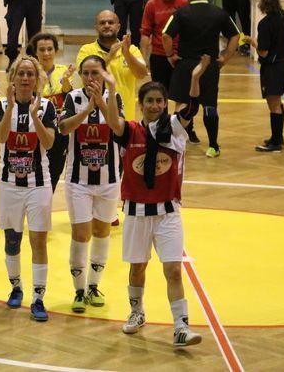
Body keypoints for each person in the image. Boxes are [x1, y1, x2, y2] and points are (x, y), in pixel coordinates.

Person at [103, 55, 211, 347]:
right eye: (149, 101)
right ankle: (137, 312)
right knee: (138, 267)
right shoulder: (130, 131)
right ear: (141, 104)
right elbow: (112, 122)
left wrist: (195, 77)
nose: (155, 105)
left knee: (173, 269)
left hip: (168, 212)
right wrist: (111, 88)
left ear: (165, 104)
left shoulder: (174, 127)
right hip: (136, 211)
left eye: (159, 101)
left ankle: (181, 326)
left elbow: (192, 108)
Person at [0, 55, 57, 322]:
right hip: (9, 184)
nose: (26, 78)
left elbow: (49, 143)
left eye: (31, 74)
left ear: (37, 79)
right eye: (21, 73)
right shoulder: (1, 105)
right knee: (12, 240)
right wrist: (10, 109)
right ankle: (16, 287)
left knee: (38, 240)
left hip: (38, 184)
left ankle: (38, 298)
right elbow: (1, 137)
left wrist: (34, 117)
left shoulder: (47, 106)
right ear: (13, 77)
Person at [59, 55, 124, 313]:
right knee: (81, 234)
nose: (89, 78)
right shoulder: (72, 98)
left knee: (101, 231)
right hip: (78, 180)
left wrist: (102, 102)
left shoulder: (114, 98)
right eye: (85, 73)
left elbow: (118, 129)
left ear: (104, 74)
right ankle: (78, 290)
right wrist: (87, 110)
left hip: (109, 179)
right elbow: (64, 128)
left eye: (95, 73)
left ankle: (94, 286)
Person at [163, 0, 240, 158]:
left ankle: (175, 143)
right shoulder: (219, 13)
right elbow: (235, 35)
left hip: (186, 64)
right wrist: (225, 57)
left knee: (182, 103)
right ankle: (213, 146)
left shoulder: (181, 13)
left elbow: (166, 36)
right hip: (209, 65)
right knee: (209, 105)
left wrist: (170, 55)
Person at [139, 0, 198, 143]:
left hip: (181, 57)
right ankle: (161, 127)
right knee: (160, 95)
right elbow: (145, 33)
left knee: (184, 95)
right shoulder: (151, 5)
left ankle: (187, 129)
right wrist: (144, 58)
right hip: (159, 56)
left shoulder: (185, 3)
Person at [75, 10, 147, 121]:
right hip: (94, 117)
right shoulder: (86, 50)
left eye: (110, 22)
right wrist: (110, 56)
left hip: (125, 117)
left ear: (118, 27)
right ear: (96, 27)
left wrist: (127, 55)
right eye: (102, 23)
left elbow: (142, 74)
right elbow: (83, 75)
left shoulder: (132, 50)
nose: (107, 25)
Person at [246, 0, 284, 152]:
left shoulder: (265, 23)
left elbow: (263, 52)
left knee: (273, 104)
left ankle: (276, 143)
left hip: (274, 67)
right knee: (277, 102)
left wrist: (252, 42)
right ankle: (277, 137)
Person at [28, 32, 74, 192]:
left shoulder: (63, 71)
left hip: (59, 132)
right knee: (34, 172)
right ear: (35, 52)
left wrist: (66, 80)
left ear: (56, 51)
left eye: (50, 49)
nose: (46, 53)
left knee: (54, 173)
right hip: (36, 129)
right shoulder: (30, 72)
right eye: (42, 50)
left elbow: (68, 96)